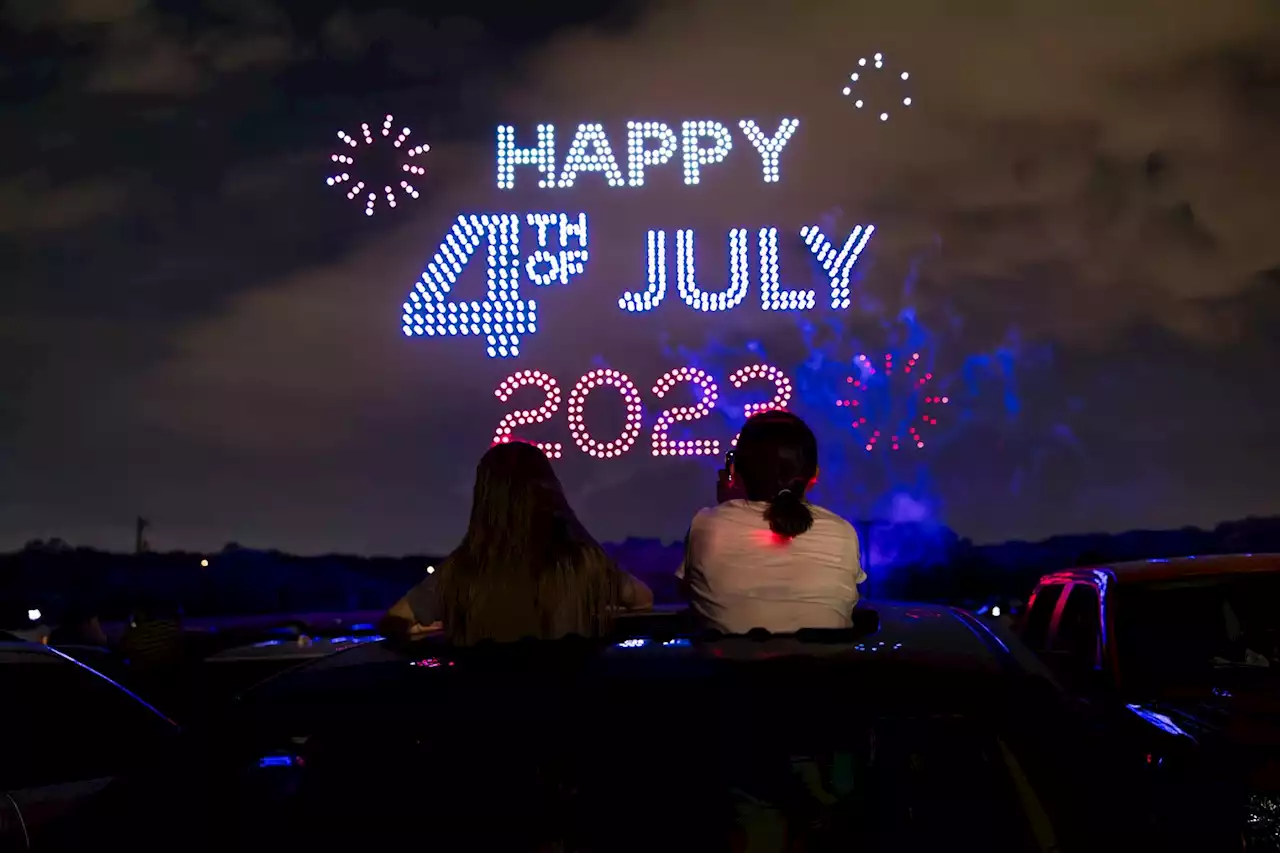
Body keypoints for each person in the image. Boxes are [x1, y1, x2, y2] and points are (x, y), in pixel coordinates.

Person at [381, 441, 654, 645]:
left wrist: (432, 630)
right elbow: (643, 599)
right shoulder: (583, 562)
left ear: (485, 499)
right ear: (551, 491)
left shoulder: (460, 570)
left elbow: (396, 619)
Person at [678, 411, 866, 633]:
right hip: (823, 667)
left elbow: (688, 593)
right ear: (814, 475)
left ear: (735, 471)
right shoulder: (842, 533)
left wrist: (726, 508)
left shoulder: (707, 526)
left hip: (730, 667)